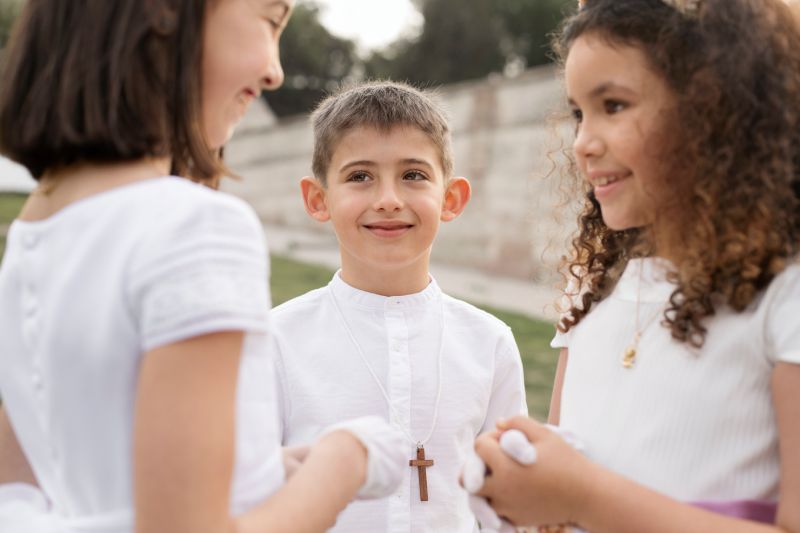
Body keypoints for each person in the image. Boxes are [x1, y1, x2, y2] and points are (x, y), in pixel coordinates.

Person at [0, 1, 405, 532]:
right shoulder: (196, 227)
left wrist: (261, 475)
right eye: (270, 20)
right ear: (164, 15)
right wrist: (345, 461)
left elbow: (29, 494)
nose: (274, 71)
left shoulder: (30, 235)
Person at [470, 0, 800, 531]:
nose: (582, 143)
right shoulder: (595, 286)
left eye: (614, 106)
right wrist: (526, 477)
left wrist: (580, 496)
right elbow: (563, 464)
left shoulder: (785, 292)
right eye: (579, 112)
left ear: (716, 107)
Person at [269, 80, 529, 532]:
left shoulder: (489, 344)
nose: (388, 200)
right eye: (359, 176)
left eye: (413, 175)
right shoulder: (276, 340)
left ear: (451, 199)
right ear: (318, 199)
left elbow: (510, 505)